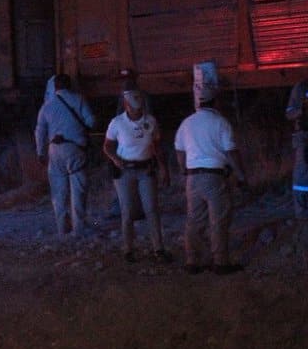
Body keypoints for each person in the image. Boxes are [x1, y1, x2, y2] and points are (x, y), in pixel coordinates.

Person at [174, 83, 247, 275]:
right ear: (216, 101)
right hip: (214, 176)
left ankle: (192, 260)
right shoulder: (221, 123)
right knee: (219, 219)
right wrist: (241, 175)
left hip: (192, 178)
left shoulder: (187, 123)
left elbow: (179, 150)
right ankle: (220, 261)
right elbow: (231, 152)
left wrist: (184, 171)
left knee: (194, 220)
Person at [103, 90, 172, 262]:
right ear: (126, 106)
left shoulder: (150, 121)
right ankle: (128, 250)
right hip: (125, 170)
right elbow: (108, 146)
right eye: (133, 108)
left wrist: (163, 168)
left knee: (152, 209)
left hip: (146, 169)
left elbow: (157, 146)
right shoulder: (117, 123)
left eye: (138, 108)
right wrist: (115, 159)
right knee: (128, 211)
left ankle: (158, 248)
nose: (136, 111)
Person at [34, 74, 96, 237]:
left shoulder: (46, 106)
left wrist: (40, 152)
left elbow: (40, 131)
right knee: (78, 190)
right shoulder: (79, 99)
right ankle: (79, 228)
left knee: (58, 193)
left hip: (54, 150)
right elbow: (91, 121)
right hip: (75, 148)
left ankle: (62, 228)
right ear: (70, 85)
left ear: (55, 87)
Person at [285, 77, 308, 220]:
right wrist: (302, 109)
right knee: (302, 173)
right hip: (304, 136)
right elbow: (289, 113)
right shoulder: (301, 87)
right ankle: (301, 211)